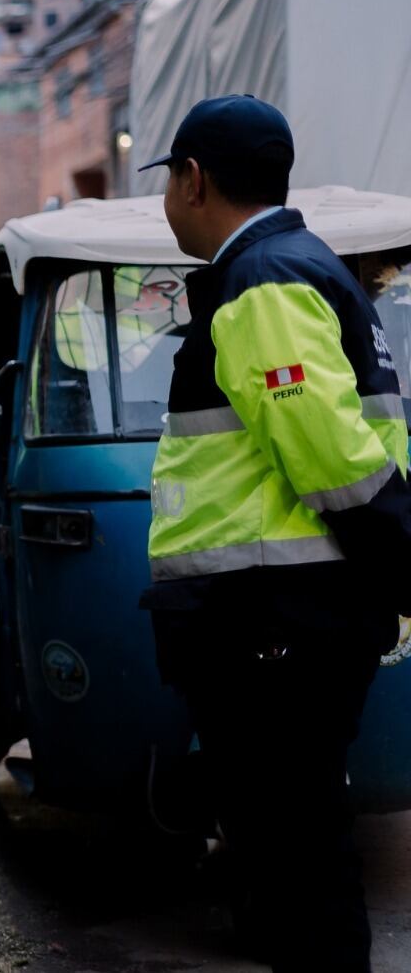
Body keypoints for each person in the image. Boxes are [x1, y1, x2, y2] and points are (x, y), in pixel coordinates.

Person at [139, 95, 411, 973]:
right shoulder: (300, 266)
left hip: (275, 617)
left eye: (170, 183)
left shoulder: (263, 281)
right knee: (292, 850)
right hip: (290, 613)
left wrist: (401, 567)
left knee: (297, 857)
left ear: (195, 179)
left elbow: (330, 455)